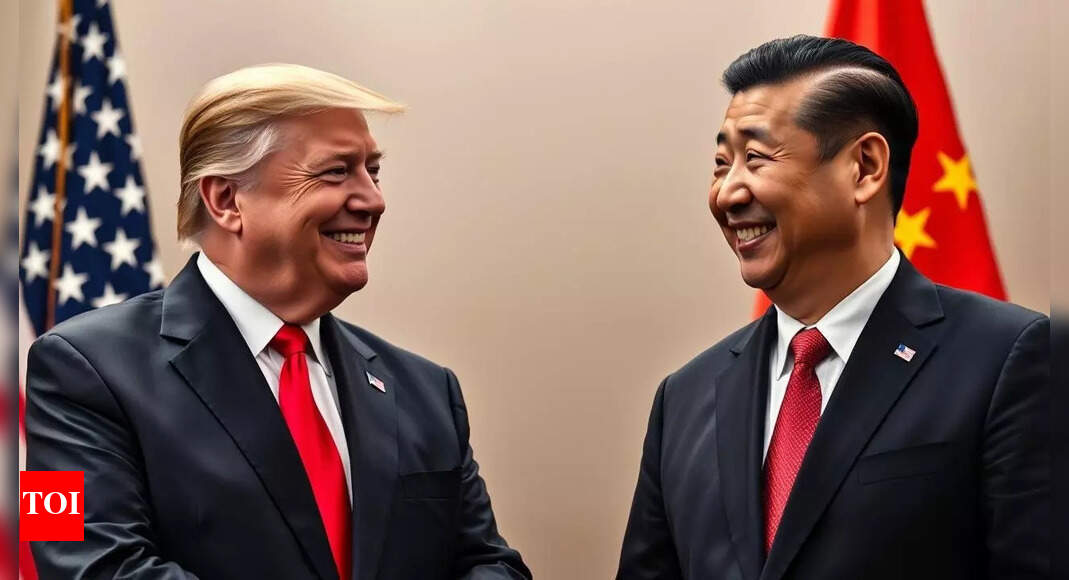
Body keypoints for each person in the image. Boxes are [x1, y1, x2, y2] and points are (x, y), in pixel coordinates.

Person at [27, 63, 531, 580]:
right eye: (335, 171)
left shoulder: (426, 390)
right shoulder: (75, 371)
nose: (373, 200)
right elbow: (86, 566)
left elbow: (490, 564)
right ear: (226, 200)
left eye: (372, 171)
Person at [617, 36, 1049, 579]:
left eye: (755, 158)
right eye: (721, 164)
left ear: (865, 167)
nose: (727, 193)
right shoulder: (685, 397)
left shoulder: (1008, 360)